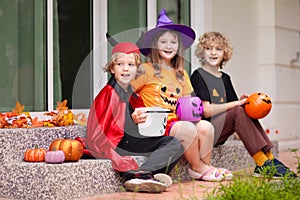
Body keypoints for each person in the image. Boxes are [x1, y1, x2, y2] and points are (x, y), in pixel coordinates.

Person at [131, 9, 232, 182]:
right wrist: (134, 113)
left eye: (173, 42)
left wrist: (196, 111)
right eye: (163, 42)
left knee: (206, 127)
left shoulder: (181, 73)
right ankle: (199, 167)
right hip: (157, 124)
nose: (169, 46)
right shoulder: (146, 70)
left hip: (177, 121)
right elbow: (125, 96)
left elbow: (188, 102)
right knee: (187, 128)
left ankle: (201, 168)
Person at [190, 31, 297, 178]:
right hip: (207, 132)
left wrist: (243, 108)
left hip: (222, 130)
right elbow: (206, 111)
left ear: (225, 53)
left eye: (218, 49)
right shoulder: (198, 75)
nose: (213, 53)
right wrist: (236, 104)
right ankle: (261, 163)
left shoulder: (225, 78)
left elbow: (236, 108)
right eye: (208, 48)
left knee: (245, 108)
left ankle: (269, 159)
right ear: (202, 52)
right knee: (239, 109)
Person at [81, 42, 185, 193]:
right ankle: (144, 176)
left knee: (175, 143)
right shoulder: (109, 94)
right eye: (120, 64)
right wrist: (132, 118)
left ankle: (145, 175)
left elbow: (135, 126)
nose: (126, 69)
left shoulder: (132, 93)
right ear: (112, 68)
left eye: (131, 65)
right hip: (117, 144)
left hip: (131, 140)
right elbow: (107, 131)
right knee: (171, 144)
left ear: (137, 70)